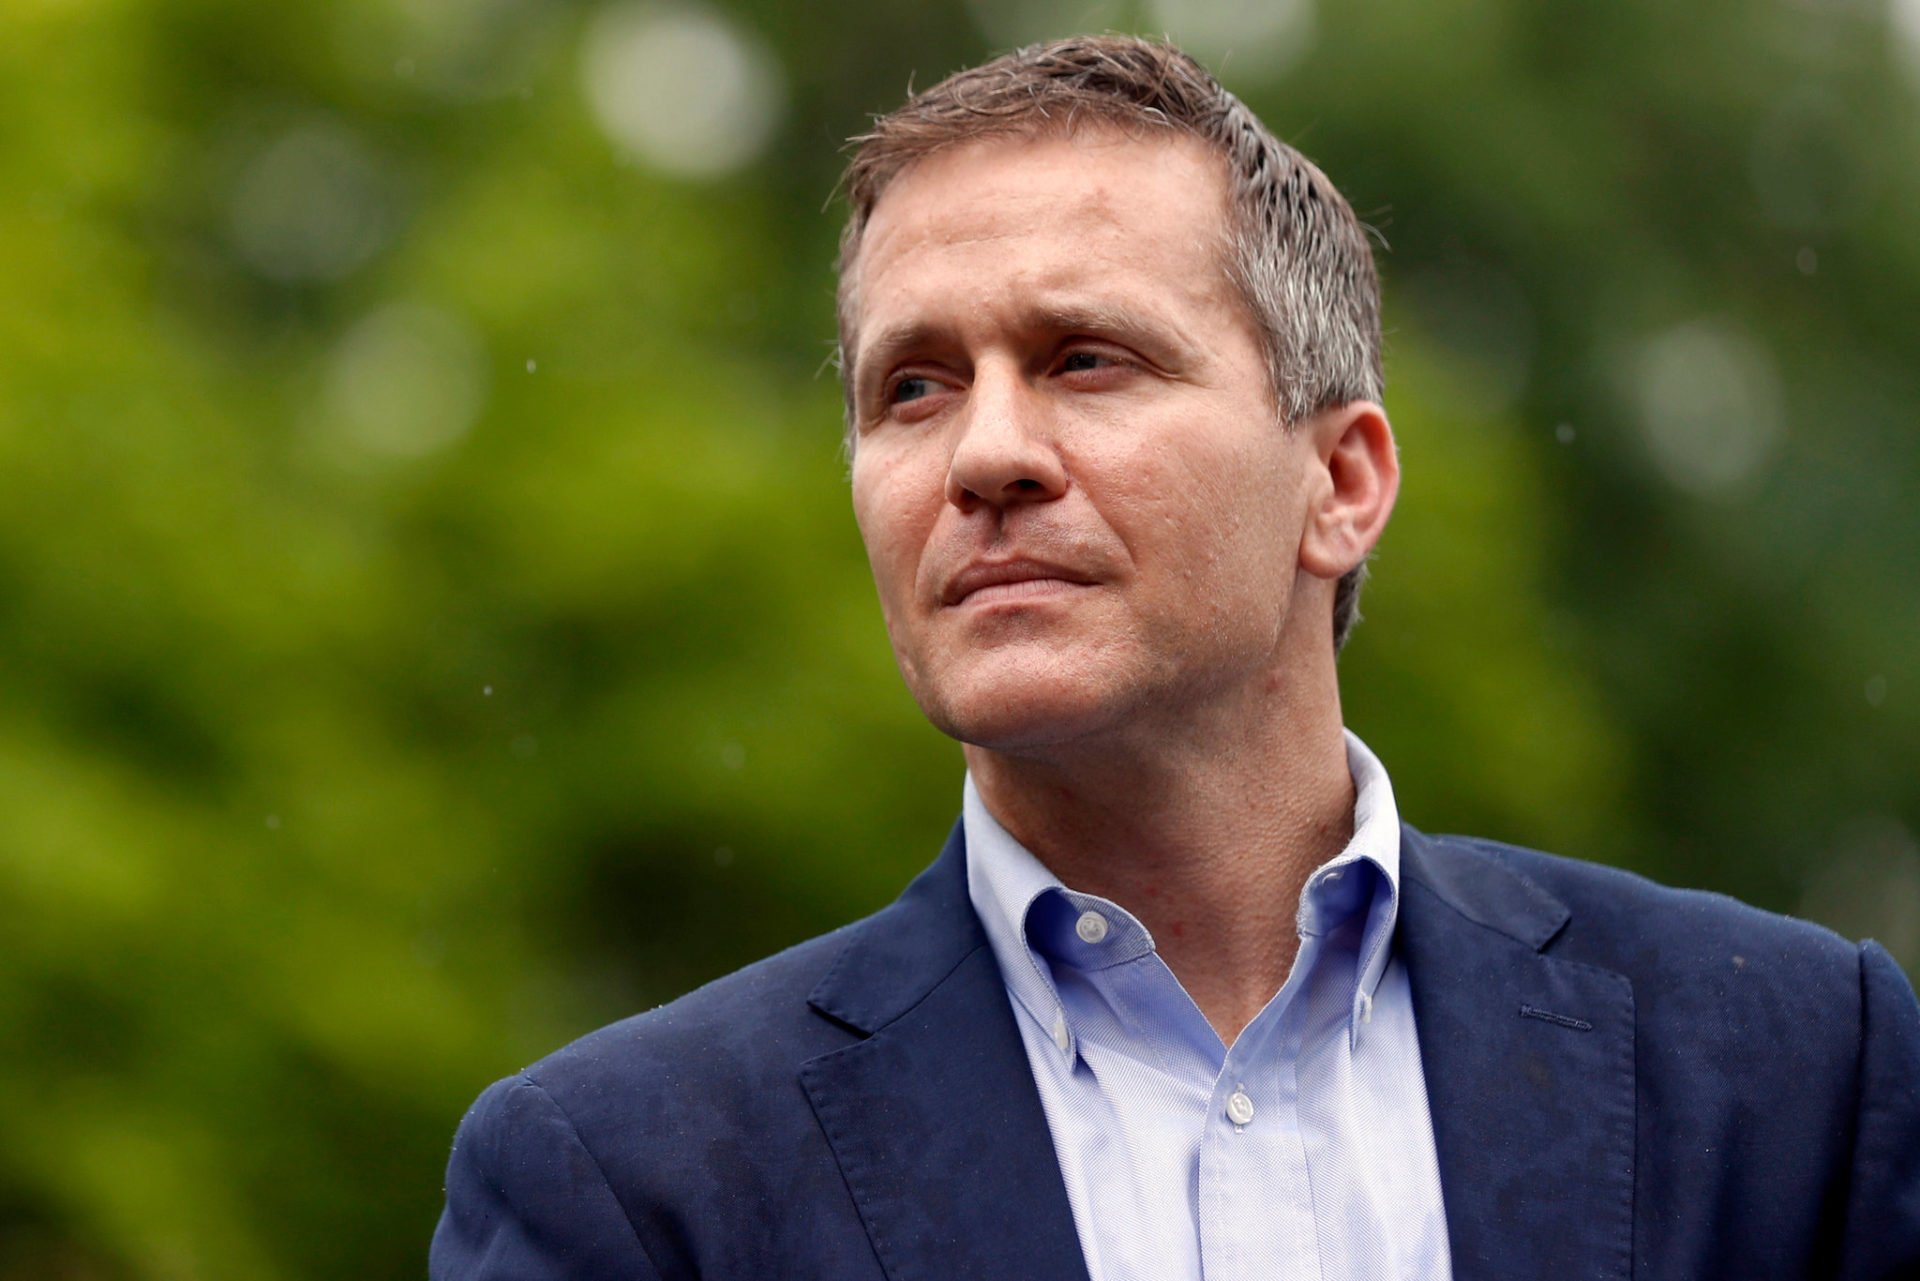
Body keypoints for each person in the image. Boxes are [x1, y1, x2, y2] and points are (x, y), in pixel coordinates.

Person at [430, 35, 1920, 1281]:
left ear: (1340, 483)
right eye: (914, 388)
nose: (986, 454)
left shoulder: (1792, 1076)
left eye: (1086, 358)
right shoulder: (631, 1187)